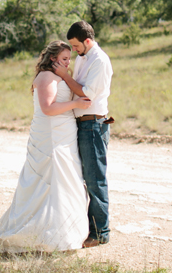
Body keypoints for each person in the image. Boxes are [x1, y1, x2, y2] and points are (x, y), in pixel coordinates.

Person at [0, 41, 92, 252]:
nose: (68, 62)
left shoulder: (61, 76)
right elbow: (48, 108)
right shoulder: (46, 77)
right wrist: (76, 104)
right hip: (50, 136)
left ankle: (65, 230)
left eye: (69, 58)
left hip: (64, 134)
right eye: (64, 59)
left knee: (66, 180)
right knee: (49, 181)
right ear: (52, 59)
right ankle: (44, 232)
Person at [53, 20, 113, 248]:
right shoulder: (82, 58)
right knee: (82, 179)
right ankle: (87, 228)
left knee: (95, 180)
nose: (75, 50)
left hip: (94, 125)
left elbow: (86, 94)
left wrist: (66, 76)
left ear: (87, 41)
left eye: (77, 46)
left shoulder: (100, 61)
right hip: (81, 124)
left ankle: (101, 233)